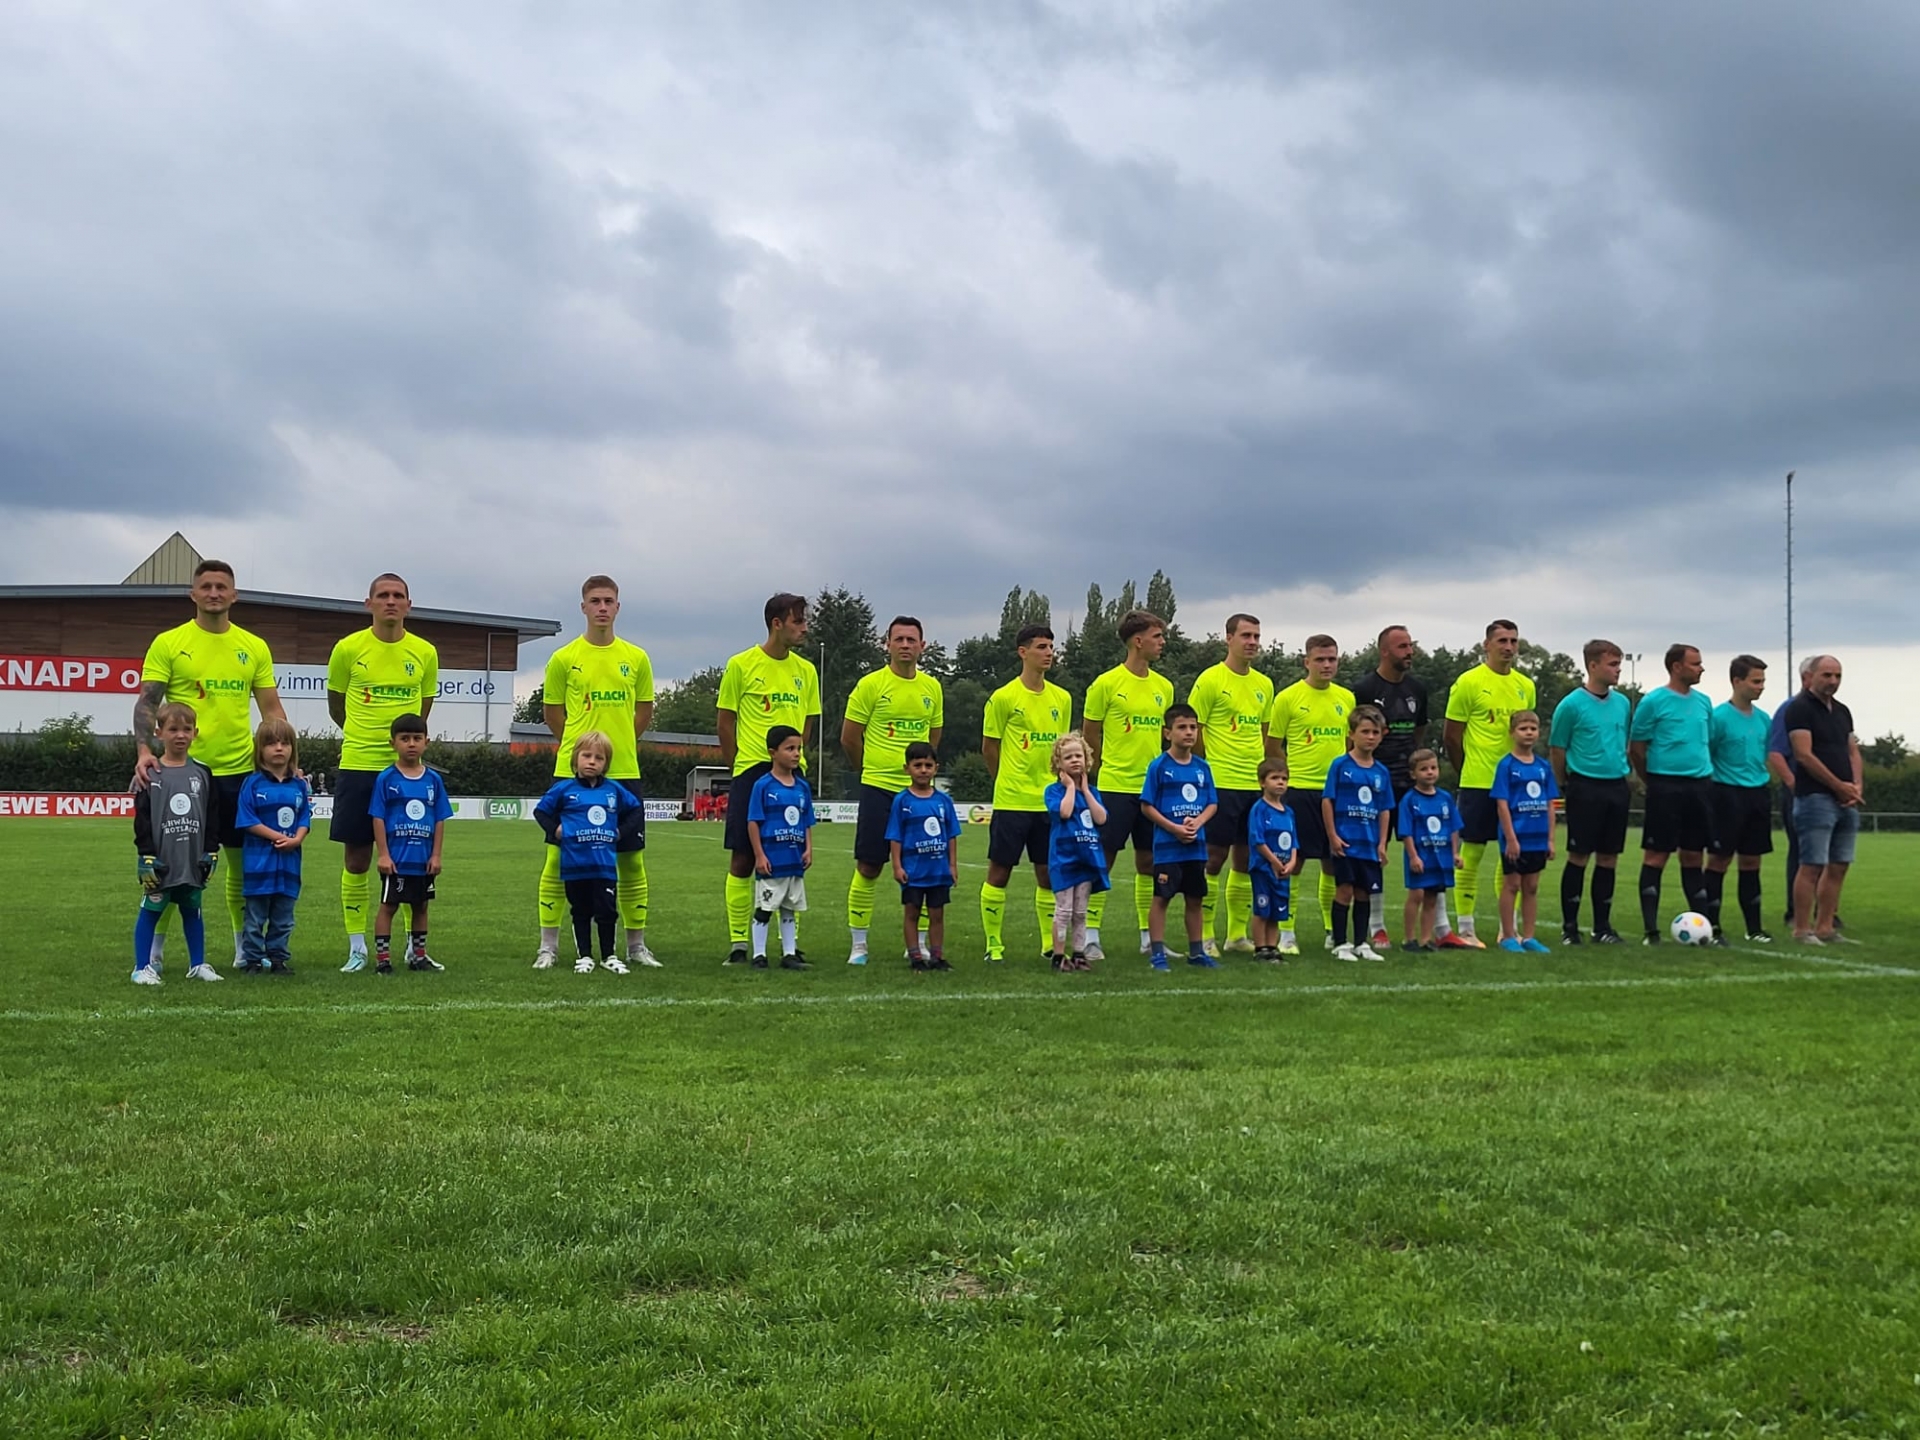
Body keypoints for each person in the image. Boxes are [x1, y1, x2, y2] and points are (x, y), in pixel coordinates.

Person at [133, 559, 288, 971]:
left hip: (238, 773)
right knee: (171, 865)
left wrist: (287, 761)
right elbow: (148, 703)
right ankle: (155, 953)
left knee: (242, 866)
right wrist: (145, 752)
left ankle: (243, 949)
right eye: (206, 586)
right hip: (181, 775)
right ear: (193, 594)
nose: (214, 593)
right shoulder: (170, 642)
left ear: (234, 595)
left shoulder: (254, 646)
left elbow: (271, 709)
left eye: (222, 586)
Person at [536, 576, 659, 970]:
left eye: (608, 601)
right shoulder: (563, 658)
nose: (602, 607)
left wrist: (616, 747)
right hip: (570, 775)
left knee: (631, 862)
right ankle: (548, 947)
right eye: (595, 601)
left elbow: (644, 711)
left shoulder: (637, 657)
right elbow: (552, 713)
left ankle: (636, 946)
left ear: (618, 607)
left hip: (623, 772)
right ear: (583, 607)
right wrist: (580, 752)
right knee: (557, 861)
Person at [327, 574, 440, 972]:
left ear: (409, 604)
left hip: (406, 772)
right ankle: (357, 947)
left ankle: (414, 948)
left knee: (412, 859)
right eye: (383, 595)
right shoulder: (347, 649)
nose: (390, 601)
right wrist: (365, 738)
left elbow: (420, 713)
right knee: (357, 860)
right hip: (359, 765)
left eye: (398, 595)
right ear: (369, 603)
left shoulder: (425, 652)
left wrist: (403, 750)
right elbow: (336, 707)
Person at [717, 595, 821, 965]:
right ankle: (739, 943)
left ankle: (789, 947)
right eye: (798, 621)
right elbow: (725, 722)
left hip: (792, 775)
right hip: (752, 772)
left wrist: (793, 757)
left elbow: (807, 722)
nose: (804, 628)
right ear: (777, 623)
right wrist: (739, 766)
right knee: (743, 859)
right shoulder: (741, 665)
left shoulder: (806, 671)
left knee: (790, 858)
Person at [843, 616, 944, 966]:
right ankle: (859, 945)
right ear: (886, 644)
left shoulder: (932, 688)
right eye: (898, 639)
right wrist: (869, 769)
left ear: (922, 646)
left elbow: (933, 739)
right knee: (869, 865)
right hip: (878, 788)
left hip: (919, 796)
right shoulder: (871, 685)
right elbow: (850, 737)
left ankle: (918, 944)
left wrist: (921, 776)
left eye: (911, 640)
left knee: (924, 869)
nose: (905, 645)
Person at [1082, 609, 1172, 960]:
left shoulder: (1164, 686)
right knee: (1102, 860)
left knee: (1149, 862)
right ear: (1137, 641)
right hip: (1115, 787)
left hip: (1152, 790)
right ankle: (1089, 936)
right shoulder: (1106, 684)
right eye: (1157, 636)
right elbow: (1090, 733)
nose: (1162, 642)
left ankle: (1149, 937)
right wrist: (1102, 769)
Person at [980, 624, 1073, 963]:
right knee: (1000, 871)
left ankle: (1049, 944)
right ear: (1023, 652)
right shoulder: (1004, 697)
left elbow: (1062, 749)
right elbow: (989, 747)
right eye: (1041, 647)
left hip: (1048, 802)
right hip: (1012, 800)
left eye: (1051, 646)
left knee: (1048, 873)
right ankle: (994, 944)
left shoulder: (1062, 698)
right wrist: (1004, 780)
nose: (1048, 653)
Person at [1443, 620, 1535, 948]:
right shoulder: (1468, 682)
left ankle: (1507, 929)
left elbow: (1526, 734)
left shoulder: (1526, 685)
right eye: (1502, 641)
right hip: (1479, 782)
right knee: (1471, 852)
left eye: (1513, 641)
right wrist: (1467, 770)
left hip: (1515, 785)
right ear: (1486, 645)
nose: (1508, 647)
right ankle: (1466, 928)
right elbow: (1451, 736)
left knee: (1511, 854)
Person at [1187, 615, 1273, 955]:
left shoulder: (1264, 684)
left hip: (1253, 785)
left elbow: (1263, 733)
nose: (1252, 642)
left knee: (1247, 857)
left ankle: (1236, 935)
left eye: (1256, 636)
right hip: (1220, 783)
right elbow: (1194, 729)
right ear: (1229, 638)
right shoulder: (1210, 679)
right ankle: (1206, 934)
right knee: (1213, 858)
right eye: (1246, 635)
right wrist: (1207, 769)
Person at [533, 730, 648, 974]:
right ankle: (584, 956)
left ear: (606, 763)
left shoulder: (613, 790)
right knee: (581, 912)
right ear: (575, 759)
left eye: (599, 758)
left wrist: (620, 832)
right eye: (586, 756)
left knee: (607, 911)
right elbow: (541, 811)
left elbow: (635, 809)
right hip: (575, 865)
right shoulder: (564, 789)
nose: (592, 762)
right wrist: (556, 830)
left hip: (604, 865)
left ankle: (609, 956)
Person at [1268, 634, 1356, 947]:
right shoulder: (1288, 698)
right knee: (1294, 862)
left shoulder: (1346, 698)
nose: (1326, 665)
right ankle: (1286, 933)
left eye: (1332, 659)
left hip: (1335, 794)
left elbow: (1349, 744)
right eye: (1320, 659)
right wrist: (1285, 782)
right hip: (1299, 791)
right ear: (1307, 662)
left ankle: (1332, 931)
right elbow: (1273, 745)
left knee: (1334, 862)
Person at [130, 702, 223, 985]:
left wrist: (211, 850)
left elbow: (213, 815)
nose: (180, 735)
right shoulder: (150, 773)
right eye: (173, 729)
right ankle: (141, 967)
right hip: (162, 859)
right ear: (159, 733)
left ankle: (197, 964)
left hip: (192, 858)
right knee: (151, 910)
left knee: (193, 910)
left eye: (186, 729)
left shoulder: (203, 773)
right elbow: (142, 818)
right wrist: (146, 854)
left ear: (195, 733)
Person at [1629, 644, 1716, 945]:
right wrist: (1652, 780)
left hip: (1700, 787)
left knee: (1693, 855)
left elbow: (1707, 742)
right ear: (1677, 667)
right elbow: (1636, 748)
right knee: (1657, 855)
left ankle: (1704, 928)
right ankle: (1651, 931)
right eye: (1695, 663)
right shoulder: (1653, 701)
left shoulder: (1704, 702)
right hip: (1665, 787)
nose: (1701, 668)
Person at [1549, 639, 1633, 945]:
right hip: (1585, 786)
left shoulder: (1623, 703)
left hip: (1617, 786)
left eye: (1619, 664)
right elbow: (1557, 748)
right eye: (1612, 664)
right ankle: (1570, 928)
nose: (1617, 670)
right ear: (1593, 666)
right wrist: (1564, 783)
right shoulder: (1571, 705)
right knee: (1579, 855)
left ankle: (1602, 927)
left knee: (1609, 857)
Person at [1352, 624, 1429, 948]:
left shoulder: (1417, 689)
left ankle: (1437, 927)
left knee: (1425, 849)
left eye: (1410, 645)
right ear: (1384, 651)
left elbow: (1419, 733)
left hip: (1409, 785)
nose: (1409, 652)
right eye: (1402, 647)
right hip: (1375, 785)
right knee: (1374, 852)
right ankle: (1377, 926)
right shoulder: (1364, 688)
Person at [1782, 655, 1863, 945]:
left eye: (1837, 675)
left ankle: (1825, 927)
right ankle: (1802, 929)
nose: (1833, 681)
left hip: (1846, 801)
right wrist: (1838, 786)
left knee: (1839, 864)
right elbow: (1803, 755)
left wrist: (1856, 786)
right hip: (1815, 798)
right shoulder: (1799, 709)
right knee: (1812, 865)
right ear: (1811, 676)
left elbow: (1852, 751)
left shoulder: (1842, 711)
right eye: (1827, 675)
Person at [368, 713, 451, 975]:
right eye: (405, 738)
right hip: (397, 859)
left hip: (422, 859)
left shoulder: (433, 780)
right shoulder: (386, 779)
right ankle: (383, 959)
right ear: (393, 743)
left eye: (417, 738)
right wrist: (383, 854)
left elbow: (439, 818)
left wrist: (436, 855)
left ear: (427, 741)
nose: (411, 744)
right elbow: (378, 817)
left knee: (421, 905)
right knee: (389, 906)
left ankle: (419, 956)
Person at [1140, 703, 1218, 972]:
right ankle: (1157, 953)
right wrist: (1174, 828)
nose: (1189, 732)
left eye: (1193, 727)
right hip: (1168, 848)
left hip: (1195, 848)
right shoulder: (1159, 766)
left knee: (1195, 899)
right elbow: (1147, 806)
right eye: (1182, 727)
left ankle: (1197, 952)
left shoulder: (1202, 767)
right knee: (1162, 898)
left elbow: (1212, 803)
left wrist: (1198, 822)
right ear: (1167, 733)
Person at [1705, 655, 1774, 944]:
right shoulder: (1718, 717)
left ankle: (1754, 928)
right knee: (1720, 860)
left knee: (1752, 861)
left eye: (1763, 681)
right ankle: (1712, 926)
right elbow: (1707, 754)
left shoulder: (1764, 719)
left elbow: (1766, 756)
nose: (1761, 687)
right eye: (1755, 681)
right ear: (1737, 681)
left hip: (1757, 794)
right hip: (1726, 793)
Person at [234, 718, 310, 975]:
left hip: (289, 864)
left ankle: (278, 959)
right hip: (259, 864)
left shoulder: (299, 785)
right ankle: (253, 960)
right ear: (260, 749)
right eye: (272, 743)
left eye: (285, 743)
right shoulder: (253, 783)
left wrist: (297, 839)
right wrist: (278, 837)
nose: (279, 748)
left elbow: (304, 818)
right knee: (255, 916)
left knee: (284, 917)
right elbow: (247, 820)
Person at [1322, 704, 1392, 962]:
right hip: (1346, 841)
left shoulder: (1381, 772)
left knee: (1365, 892)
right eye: (1365, 731)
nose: (1370, 737)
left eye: (1375, 732)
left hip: (1369, 844)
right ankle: (1341, 943)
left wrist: (1382, 843)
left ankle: (1361, 942)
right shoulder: (1340, 765)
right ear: (1351, 734)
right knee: (1345, 890)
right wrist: (1332, 836)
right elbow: (1328, 800)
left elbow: (1384, 809)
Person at [886, 741, 960, 971]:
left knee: (937, 914)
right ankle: (916, 957)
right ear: (906, 768)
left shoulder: (943, 801)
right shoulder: (902, 801)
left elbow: (951, 835)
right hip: (913, 870)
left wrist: (952, 865)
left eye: (928, 765)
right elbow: (895, 835)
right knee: (912, 913)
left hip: (938, 870)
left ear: (936, 768)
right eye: (917, 765)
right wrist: (897, 866)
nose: (923, 770)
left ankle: (937, 957)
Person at [746, 725, 815, 970]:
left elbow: (807, 821)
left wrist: (808, 848)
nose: (796, 754)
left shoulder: (802, 787)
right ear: (773, 752)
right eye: (790, 748)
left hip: (794, 859)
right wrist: (759, 855)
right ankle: (759, 955)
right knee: (765, 907)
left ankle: (789, 954)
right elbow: (754, 821)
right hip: (772, 859)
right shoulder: (763, 785)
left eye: (799, 748)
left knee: (789, 907)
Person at [1492, 711, 1559, 954]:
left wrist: (1550, 839)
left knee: (1531, 886)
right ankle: (1508, 936)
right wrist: (1510, 839)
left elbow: (1550, 805)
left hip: (1537, 838)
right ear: (1512, 733)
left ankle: (1529, 937)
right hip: (1516, 838)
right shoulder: (1507, 766)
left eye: (1533, 728)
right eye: (1523, 728)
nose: (1529, 732)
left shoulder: (1543, 767)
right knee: (1512, 885)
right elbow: (1502, 804)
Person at [1044, 732, 1110, 972]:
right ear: (1058, 763)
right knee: (1064, 910)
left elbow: (1101, 818)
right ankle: (1059, 956)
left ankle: (1079, 954)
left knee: (1081, 912)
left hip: (1087, 858)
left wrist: (1085, 790)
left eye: (1078, 756)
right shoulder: (1054, 791)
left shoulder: (1092, 791)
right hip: (1064, 860)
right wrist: (1071, 787)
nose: (1074, 761)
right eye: (1068, 757)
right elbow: (1064, 812)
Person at [1396, 748, 1461, 952]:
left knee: (1432, 898)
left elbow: (1453, 828)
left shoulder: (1445, 798)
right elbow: (1405, 831)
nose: (1430, 772)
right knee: (1416, 895)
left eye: (1433, 768)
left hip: (1440, 857)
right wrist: (1413, 856)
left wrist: (1455, 853)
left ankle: (1426, 939)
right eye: (1424, 769)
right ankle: (1409, 939)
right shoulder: (1409, 800)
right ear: (1413, 774)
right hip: (1420, 857)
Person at [1246, 759, 1299, 962]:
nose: (1280, 782)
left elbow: (1294, 841)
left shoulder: (1289, 812)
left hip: (1283, 870)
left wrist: (1291, 862)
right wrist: (1274, 861)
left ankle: (1272, 946)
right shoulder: (1259, 809)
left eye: (1284, 778)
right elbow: (1257, 840)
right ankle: (1260, 948)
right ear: (1262, 782)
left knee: (1277, 910)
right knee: (1262, 908)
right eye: (1274, 778)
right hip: (1264, 868)